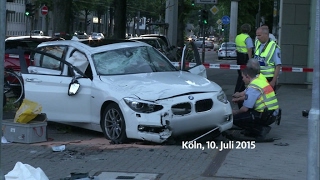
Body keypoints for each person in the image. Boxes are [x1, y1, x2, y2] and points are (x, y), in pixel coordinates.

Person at [232, 59, 280, 140]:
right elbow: (252, 96)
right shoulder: (258, 81)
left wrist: (234, 113)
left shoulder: (253, 87)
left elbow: (244, 109)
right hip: (271, 113)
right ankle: (252, 130)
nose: (242, 79)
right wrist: (240, 98)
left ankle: (260, 130)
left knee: (235, 119)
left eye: (243, 77)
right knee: (245, 114)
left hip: (266, 115)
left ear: (247, 76)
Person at [254, 26, 282, 92]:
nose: (257, 37)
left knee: (268, 100)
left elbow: (278, 66)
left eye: (259, 35)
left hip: (268, 78)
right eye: (256, 35)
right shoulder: (257, 43)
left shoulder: (274, 47)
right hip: (258, 77)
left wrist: (273, 81)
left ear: (266, 35)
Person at [234, 23, 254, 108]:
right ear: (249, 30)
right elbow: (249, 49)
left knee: (240, 74)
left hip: (239, 56)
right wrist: (250, 60)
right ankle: (238, 92)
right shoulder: (247, 38)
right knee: (244, 76)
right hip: (244, 57)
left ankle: (239, 91)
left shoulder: (238, 37)